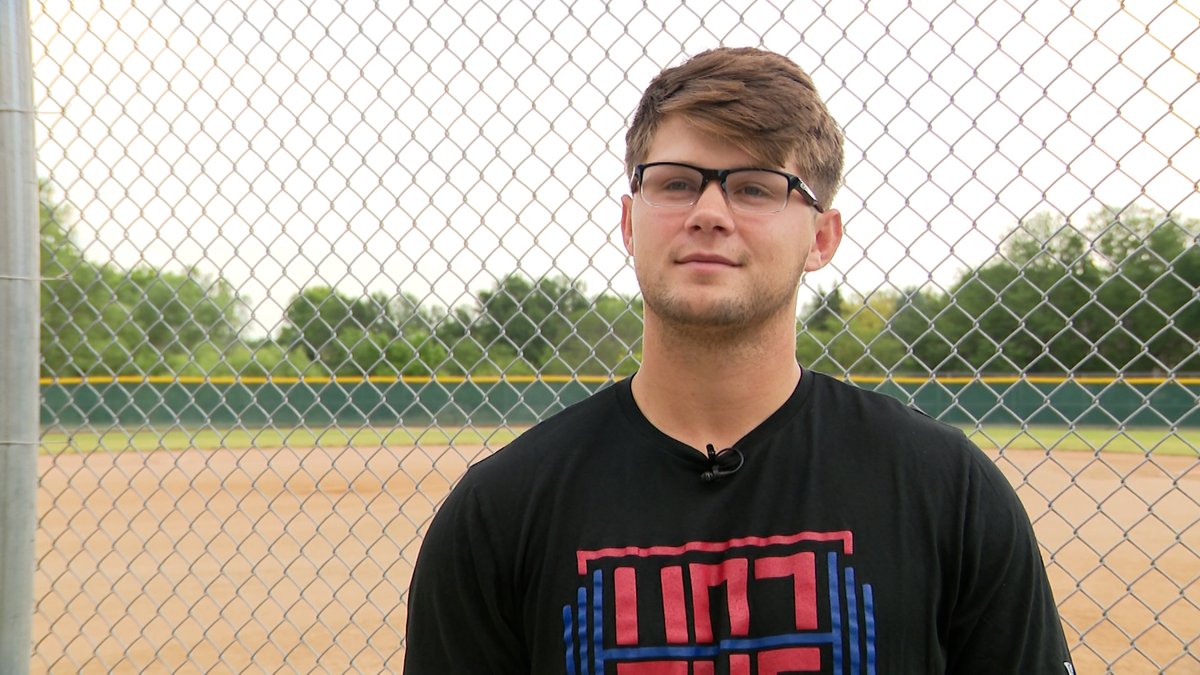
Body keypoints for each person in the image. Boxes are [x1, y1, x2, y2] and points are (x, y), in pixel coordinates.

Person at [404, 46, 1075, 674]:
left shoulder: (944, 490)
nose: (708, 212)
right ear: (629, 222)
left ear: (821, 237)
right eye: (674, 183)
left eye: (755, 188)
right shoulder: (501, 509)